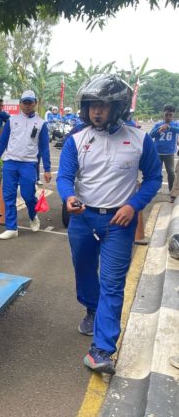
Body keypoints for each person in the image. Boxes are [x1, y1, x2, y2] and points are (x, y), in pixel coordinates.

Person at [57, 74, 162, 374]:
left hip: (119, 221)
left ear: (118, 108)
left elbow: (153, 178)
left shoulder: (140, 140)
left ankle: (102, 350)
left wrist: (133, 206)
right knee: (84, 270)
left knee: (113, 284)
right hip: (83, 218)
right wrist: (68, 197)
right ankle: (91, 308)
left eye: (103, 105)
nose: (96, 111)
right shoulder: (76, 140)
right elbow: (65, 176)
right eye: (92, 105)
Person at [0, 90, 52, 239]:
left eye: (30, 102)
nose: (27, 105)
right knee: (9, 195)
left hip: (28, 164)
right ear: (20, 104)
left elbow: (44, 148)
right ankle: (12, 228)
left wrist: (47, 169)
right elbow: (3, 142)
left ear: (35, 103)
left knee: (28, 195)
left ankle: (33, 215)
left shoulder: (41, 123)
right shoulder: (12, 121)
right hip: (10, 162)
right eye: (25, 102)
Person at [150, 105, 179, 195]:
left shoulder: (175, 125)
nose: (168, 117)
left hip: (169, 153)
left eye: (170, 115)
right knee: (156, 172)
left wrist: (169, 127)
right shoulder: (158, 125)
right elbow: (151, 135)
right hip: (157, 152)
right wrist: (158, 130)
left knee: (171, 172)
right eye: (166, 115)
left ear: (173, 115)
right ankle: (156, 188)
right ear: (163, 114)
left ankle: (171, 190)